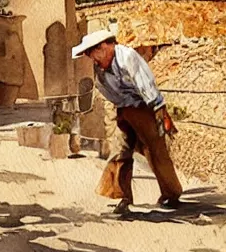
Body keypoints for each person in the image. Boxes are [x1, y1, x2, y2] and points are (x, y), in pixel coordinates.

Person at [72, 30, 183, 215]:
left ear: (104, 47)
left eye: (93, 54)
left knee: (155, 150)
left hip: (145, 106)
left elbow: (145, 83)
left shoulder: (127, 57)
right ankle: (122, 195)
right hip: (125, 109)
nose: (93, 60)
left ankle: (171, 193)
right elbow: (110, 93)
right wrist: (122, 113)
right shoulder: (100, 70)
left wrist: (159, 109)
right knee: (120, 151)